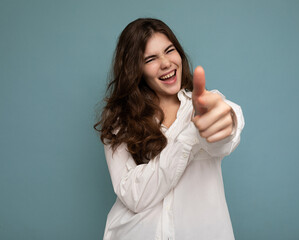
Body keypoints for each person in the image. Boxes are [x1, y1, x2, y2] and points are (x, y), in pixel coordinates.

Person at [94, 18, 245, 240]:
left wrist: (228, 120)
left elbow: (224, 131)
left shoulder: (201, 107)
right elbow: (134, 195)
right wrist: (188, 138)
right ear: (136, 69)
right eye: (151, 59)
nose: (165, 63)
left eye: (169, 50)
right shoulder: (119, 120)